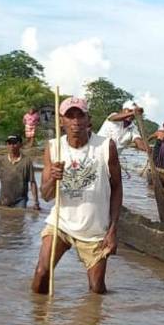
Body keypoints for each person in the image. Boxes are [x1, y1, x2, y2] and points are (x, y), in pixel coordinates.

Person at [31, 97, 122, 295]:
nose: (75, 122)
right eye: (70, 117)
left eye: (80, 116)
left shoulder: (106, 147)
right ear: (62, 121)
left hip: (95, 229)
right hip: (61, 223)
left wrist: (113, 229)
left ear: (88, 119)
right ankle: (37, 321)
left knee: (97, 291)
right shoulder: (54, 147)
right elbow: (45, 196)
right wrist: (52, 179)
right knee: (41, 273)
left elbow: (117, 188)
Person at [0, 134, 40, 209]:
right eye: (9, 143)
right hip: (4, 199)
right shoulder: (1, 161)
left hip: (21, 200)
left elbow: (32, 182)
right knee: (4, 219)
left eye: (14, 143)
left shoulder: (27, 161)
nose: (12, 146)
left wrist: (36, 202)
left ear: (20, 145)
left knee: (19, 218)